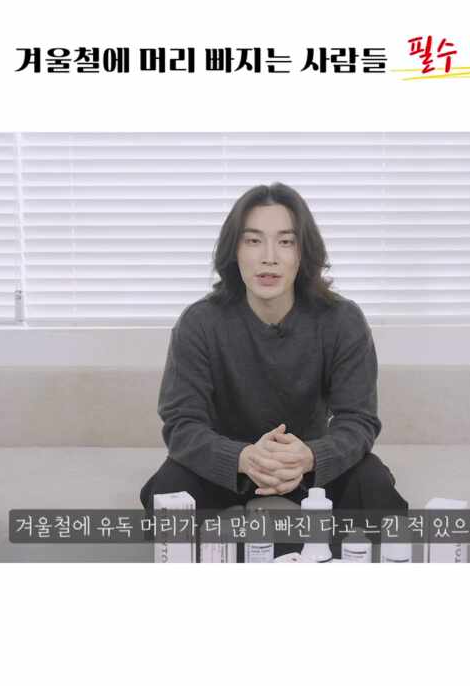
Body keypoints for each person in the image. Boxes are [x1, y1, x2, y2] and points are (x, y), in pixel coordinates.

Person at [139, 182, 408, 555]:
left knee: (375, 487)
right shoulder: (199, 322)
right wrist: (242, 458)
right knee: (168, 493)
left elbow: (358, 420)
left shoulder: (342, 320)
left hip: (309, 462)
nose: (269, 258)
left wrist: (310, 456)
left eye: (285, 242)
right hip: (227, 463)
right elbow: (181, 424)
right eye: (253, 241)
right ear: (234, 251)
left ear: (303, 252)